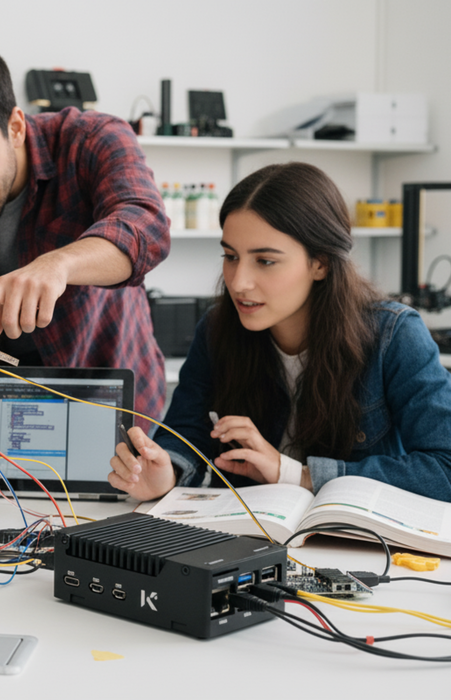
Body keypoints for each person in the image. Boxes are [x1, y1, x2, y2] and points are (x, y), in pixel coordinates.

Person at [110, 162, 451, 502]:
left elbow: (444, 469)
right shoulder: (216, 330)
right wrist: (165, 473)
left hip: (358, 545)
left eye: (265, 261)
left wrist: (295, 475)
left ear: (320, 263)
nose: (239, 282)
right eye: (230, 256)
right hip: (247, 541)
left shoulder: (395, 335)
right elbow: (186, 436)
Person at [0, 42, 170, 418]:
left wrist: (59, 265)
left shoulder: (91, 140)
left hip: (121, 408)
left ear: (16, 126)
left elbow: (147, 228)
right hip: (7, 419)